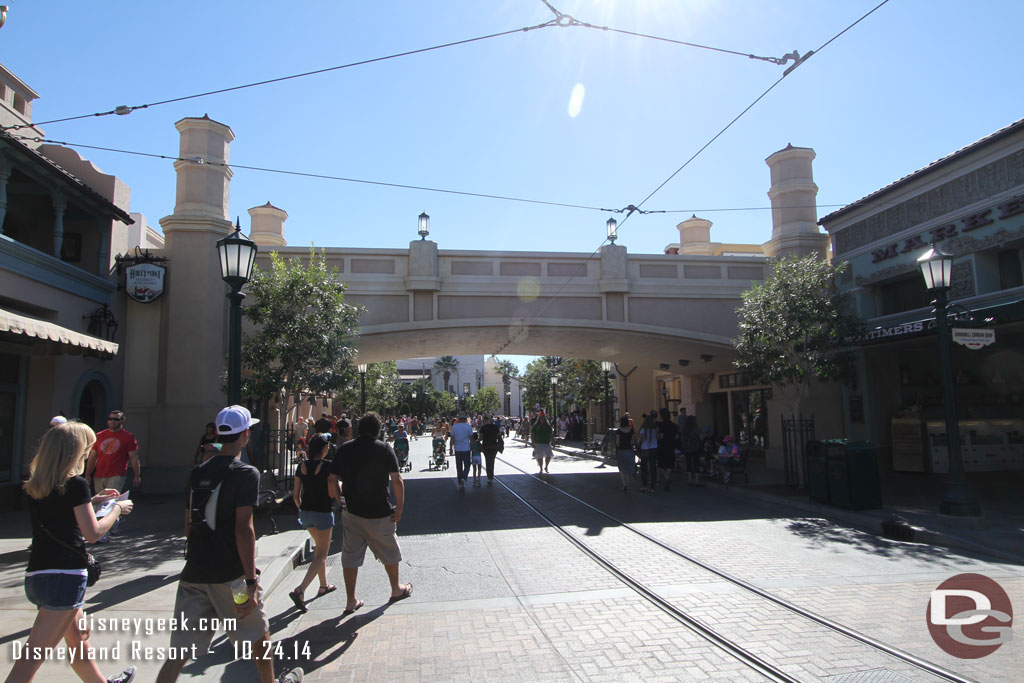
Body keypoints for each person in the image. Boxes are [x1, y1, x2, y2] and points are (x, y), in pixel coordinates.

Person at [156, 405, 302, 683]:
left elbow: (189, 525)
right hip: (232, 579)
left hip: (194, 574)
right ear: (245, 434)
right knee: (258, 635)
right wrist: (249, 581)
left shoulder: (198, 472)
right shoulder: (246, 473)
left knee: (178, 653)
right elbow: (243, 529)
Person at [7, 421, 136, 683]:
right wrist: (117, 510)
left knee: (80, 642)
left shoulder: (37, 486)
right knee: (32, 658)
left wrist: (93, 501)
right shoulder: (76, 485)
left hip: (38, 575)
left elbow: (59, 511)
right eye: (88, 447)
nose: (89, 452)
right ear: (74, 451)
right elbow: (94, 533)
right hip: (64, 578)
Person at [328, 412, 412, 613]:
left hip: (352, 511)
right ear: (378, 430)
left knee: (350, 555)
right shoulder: (384, 449)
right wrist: (399, 508)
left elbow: (332, 479)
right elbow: (397, 480)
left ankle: (351, 600)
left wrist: (340, 500)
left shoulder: (345, 449)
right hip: (379, 511)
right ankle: (395, 589)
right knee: (390, 551)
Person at [289, 433, 338, 613]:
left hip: (306, 513)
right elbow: (333, 493)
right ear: (324, 449)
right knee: (322, 554)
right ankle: (300, 590)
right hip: (323, 513)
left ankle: (323, 585)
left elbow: (295, 495)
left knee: (319, 549)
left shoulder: (301, 466)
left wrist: (302, 509)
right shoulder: (327, 467)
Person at [85, 410, 140, 496]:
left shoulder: (129, 437)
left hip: (117, 475)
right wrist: (88, 474)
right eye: (110, 419)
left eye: (116, 419)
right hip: (99, 474)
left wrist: (137, 475)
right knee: (99, 500)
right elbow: (93, 456)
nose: (112, 421)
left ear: (122, 420)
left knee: (110, 500)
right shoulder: (99, 435)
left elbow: (134, 458)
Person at [656, 407, 678, 492]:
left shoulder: (660, 425)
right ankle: (667, 478)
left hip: (662, 446)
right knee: (669, 464)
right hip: (671, 445)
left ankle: (666, 477)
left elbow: (659, 436)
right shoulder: (673, 425)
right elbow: (676, 436)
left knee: (660, 464)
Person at [449, 414, 473, 490]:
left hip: (458, 449)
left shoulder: (454, 427)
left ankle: (460, 482)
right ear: (465, 419)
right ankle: (464, 478)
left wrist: (450, 448)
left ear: (459, 419)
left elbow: (452, 438)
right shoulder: (468, 427)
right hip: (466, 449)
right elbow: (471, 439)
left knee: (459, 467)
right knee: (467, 465)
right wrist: (472, 448)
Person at [637, 411, 659, 493]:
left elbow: (639, 440)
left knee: (644, 468)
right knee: (653, 468)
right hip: (653, 449)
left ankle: (644, 485)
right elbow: (658, 437)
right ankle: (652, 487)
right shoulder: (655, 429)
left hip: (645, 449)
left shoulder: (643, 429)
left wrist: (638, 445)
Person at [679, 415, 704, 487]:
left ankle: (690, 481)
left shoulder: (684, 429)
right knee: (696, 464)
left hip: (686, 449)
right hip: (695, 448)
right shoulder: (696, 428)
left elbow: (682, 439)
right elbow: (701, 438)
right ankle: (697, 481)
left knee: (688, 464)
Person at [478, 415, 503, 485]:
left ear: (484, 421)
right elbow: (498, 436)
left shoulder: (483, 428)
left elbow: (481, 438)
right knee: (492, 461)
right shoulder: (495, 427)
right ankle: (491, 476)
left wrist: (476, 441)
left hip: (486, 447)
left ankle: (489, 477)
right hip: (494, 447)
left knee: (487, 461)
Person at [614, 416, 636, 492]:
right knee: (629, 467)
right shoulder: (631, 430)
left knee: (621, 468)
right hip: (630, 450)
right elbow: (633, 441)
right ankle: (629, 482)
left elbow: (617, 442)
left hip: (621, 451)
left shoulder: (618, 431)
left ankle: (624, 483)